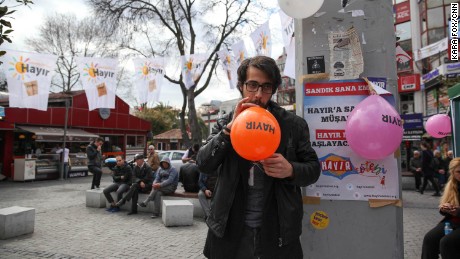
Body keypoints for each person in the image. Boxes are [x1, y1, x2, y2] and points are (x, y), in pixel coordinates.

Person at [196, 56, 321, 258]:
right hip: (230, 230)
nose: (258, 94)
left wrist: (290, 170)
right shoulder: (226, 123)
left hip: (277, 233)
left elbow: (313, 169)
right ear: (241, 86)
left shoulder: (292, 125)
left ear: (274, 89)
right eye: (252, 85)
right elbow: (203, 163)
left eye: (266, 87)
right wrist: (229, 130)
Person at [422, 157, 460, 259]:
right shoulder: (452, 185)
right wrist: (444, 208)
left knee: (446, 242)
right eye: (458, 172)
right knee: (429, 238)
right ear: (453, 173)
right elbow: (446, 207)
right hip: (453, 222)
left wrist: (458, 212)